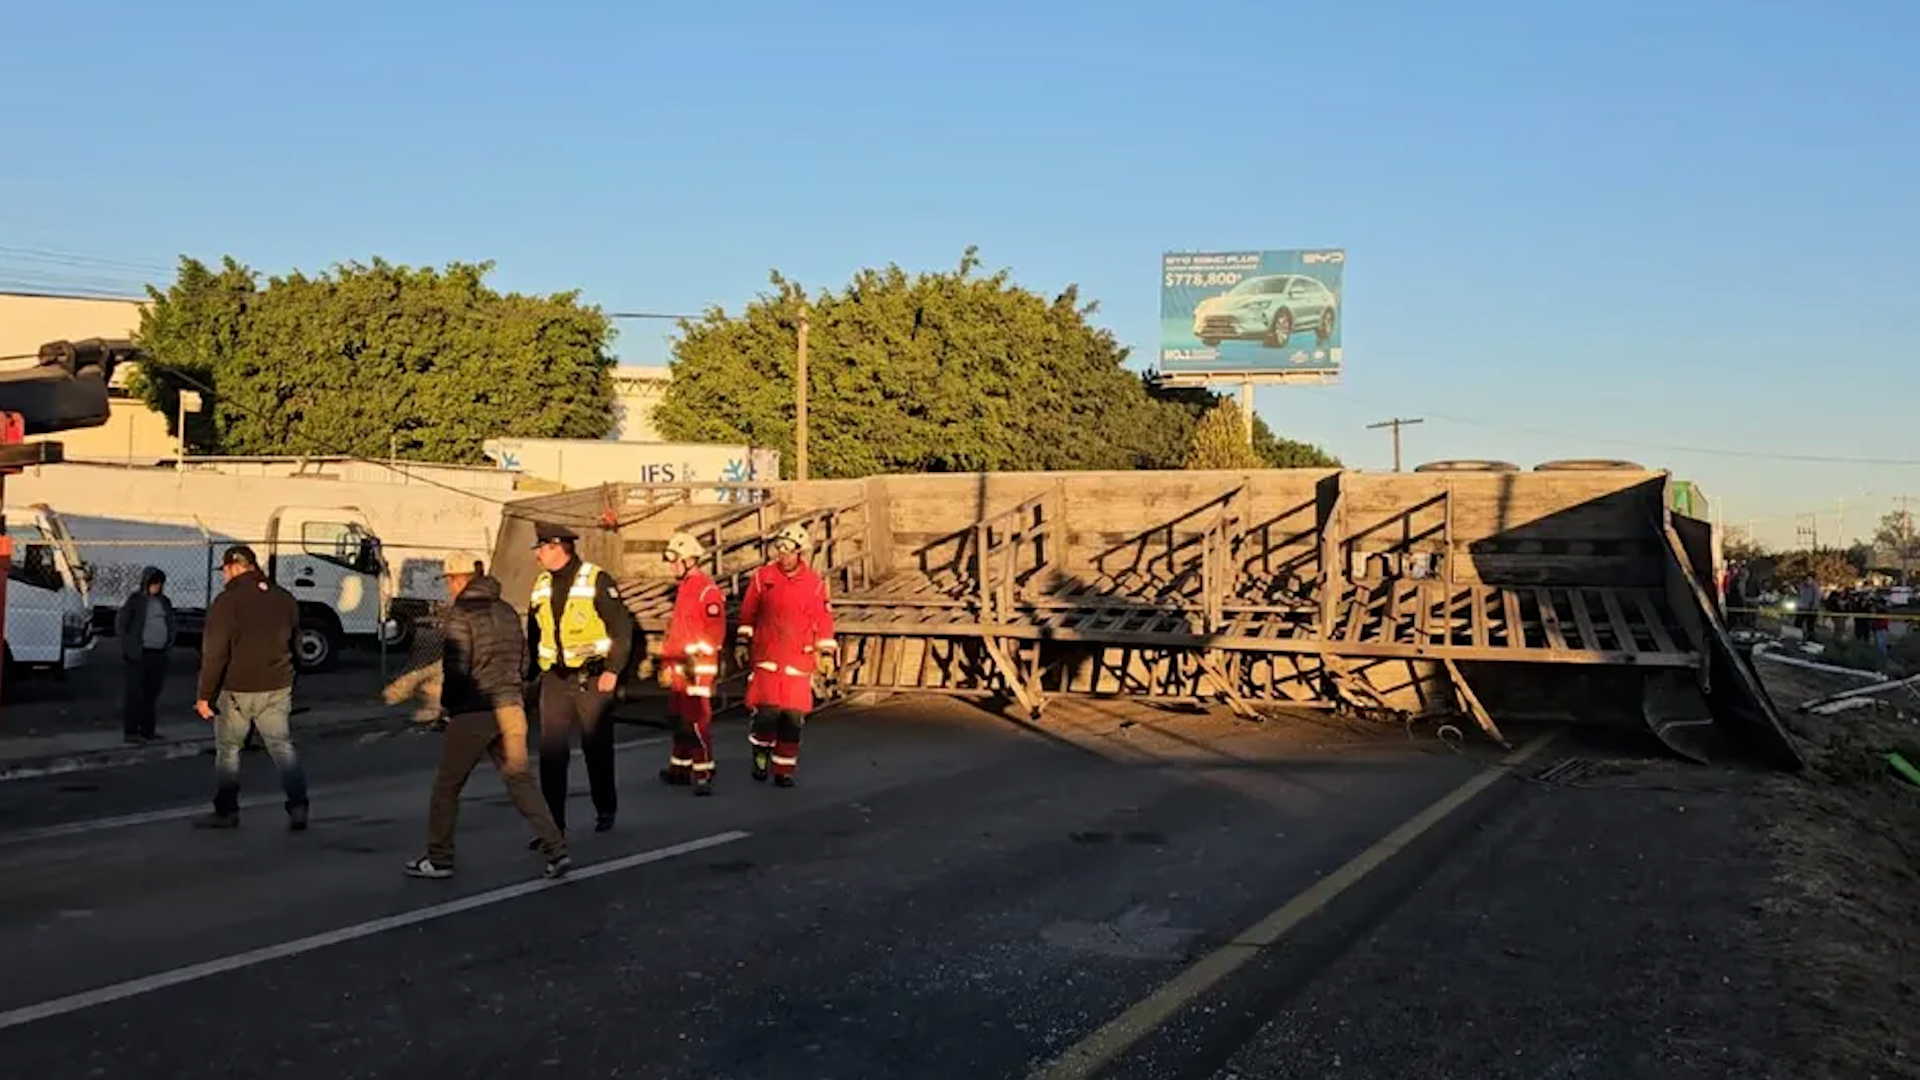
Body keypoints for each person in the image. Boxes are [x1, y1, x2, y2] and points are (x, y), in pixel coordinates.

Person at [405, 552, 570, 881]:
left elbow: (456, 670)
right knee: (521, 781)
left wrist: (449, 707)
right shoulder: (507, 611)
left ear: (458, 579)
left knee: (447, 787)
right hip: (511, 707)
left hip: (475, 710)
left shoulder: (460, 615)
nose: (449, 589)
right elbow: (525, 662)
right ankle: (556, 848)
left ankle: (439, 858)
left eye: (449, 581)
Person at [526, 521, 634, 835]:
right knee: (551, 754)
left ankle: (605, 808)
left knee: (596, 748)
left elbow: (621, 629)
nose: (537, 556)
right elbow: (534, 632)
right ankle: (552, 825)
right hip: (555, 679)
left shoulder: (596, 580)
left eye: (540, 549)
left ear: (555, 548)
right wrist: (532, 673)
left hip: (592, 677)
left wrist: (613, 670)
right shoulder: (541, 584)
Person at [193, 545, 309, 831]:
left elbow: (215, 653)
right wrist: (292, 678)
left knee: (229, 750)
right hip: (277, 684)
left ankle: (227, 810)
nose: (224, 577)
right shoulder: (284, 598)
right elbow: (296, 644)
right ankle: (298, 805)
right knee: (282, 747)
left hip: (236, 688)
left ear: (234, 567)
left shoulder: (227, 602)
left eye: (225, 571)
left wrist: (204, 695)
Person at [736, 522, 837, 788]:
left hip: (798, 661)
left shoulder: (814, 584)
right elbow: (748, 612)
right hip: (767, 657)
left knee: (792, 720)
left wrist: (825, 654)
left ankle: (784, 770)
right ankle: (760, 754)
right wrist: (742, 642)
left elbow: (823, 619)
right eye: (779, 549)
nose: (782, 555)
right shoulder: (763, 577)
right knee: (766, 715)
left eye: (788, 550)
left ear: (800, 552)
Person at [656, 531, 725, 796]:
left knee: (696, 720)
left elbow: (714, 632)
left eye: (675, 561)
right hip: (679, 665)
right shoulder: (684, 588)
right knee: (680, 718)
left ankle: (703, 772)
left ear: (689, 560)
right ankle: (680, 769)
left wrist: (695, 658)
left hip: (696, 668)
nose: (672, 566)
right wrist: (667, 663)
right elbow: (677, 632)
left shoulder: (706, 590)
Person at [115, 567, 176, 744]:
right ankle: (132, 731)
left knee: (151, 694)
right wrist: (129, 648)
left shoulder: (164, 602)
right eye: (154, 583)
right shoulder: (136, 601)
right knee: (135, 694)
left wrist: (168, 645)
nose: (156, 587)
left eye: (159, 584)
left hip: (159, 655)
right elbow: (122, 625)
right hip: (139, 655)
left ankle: (148, 730)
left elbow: (171, 623)